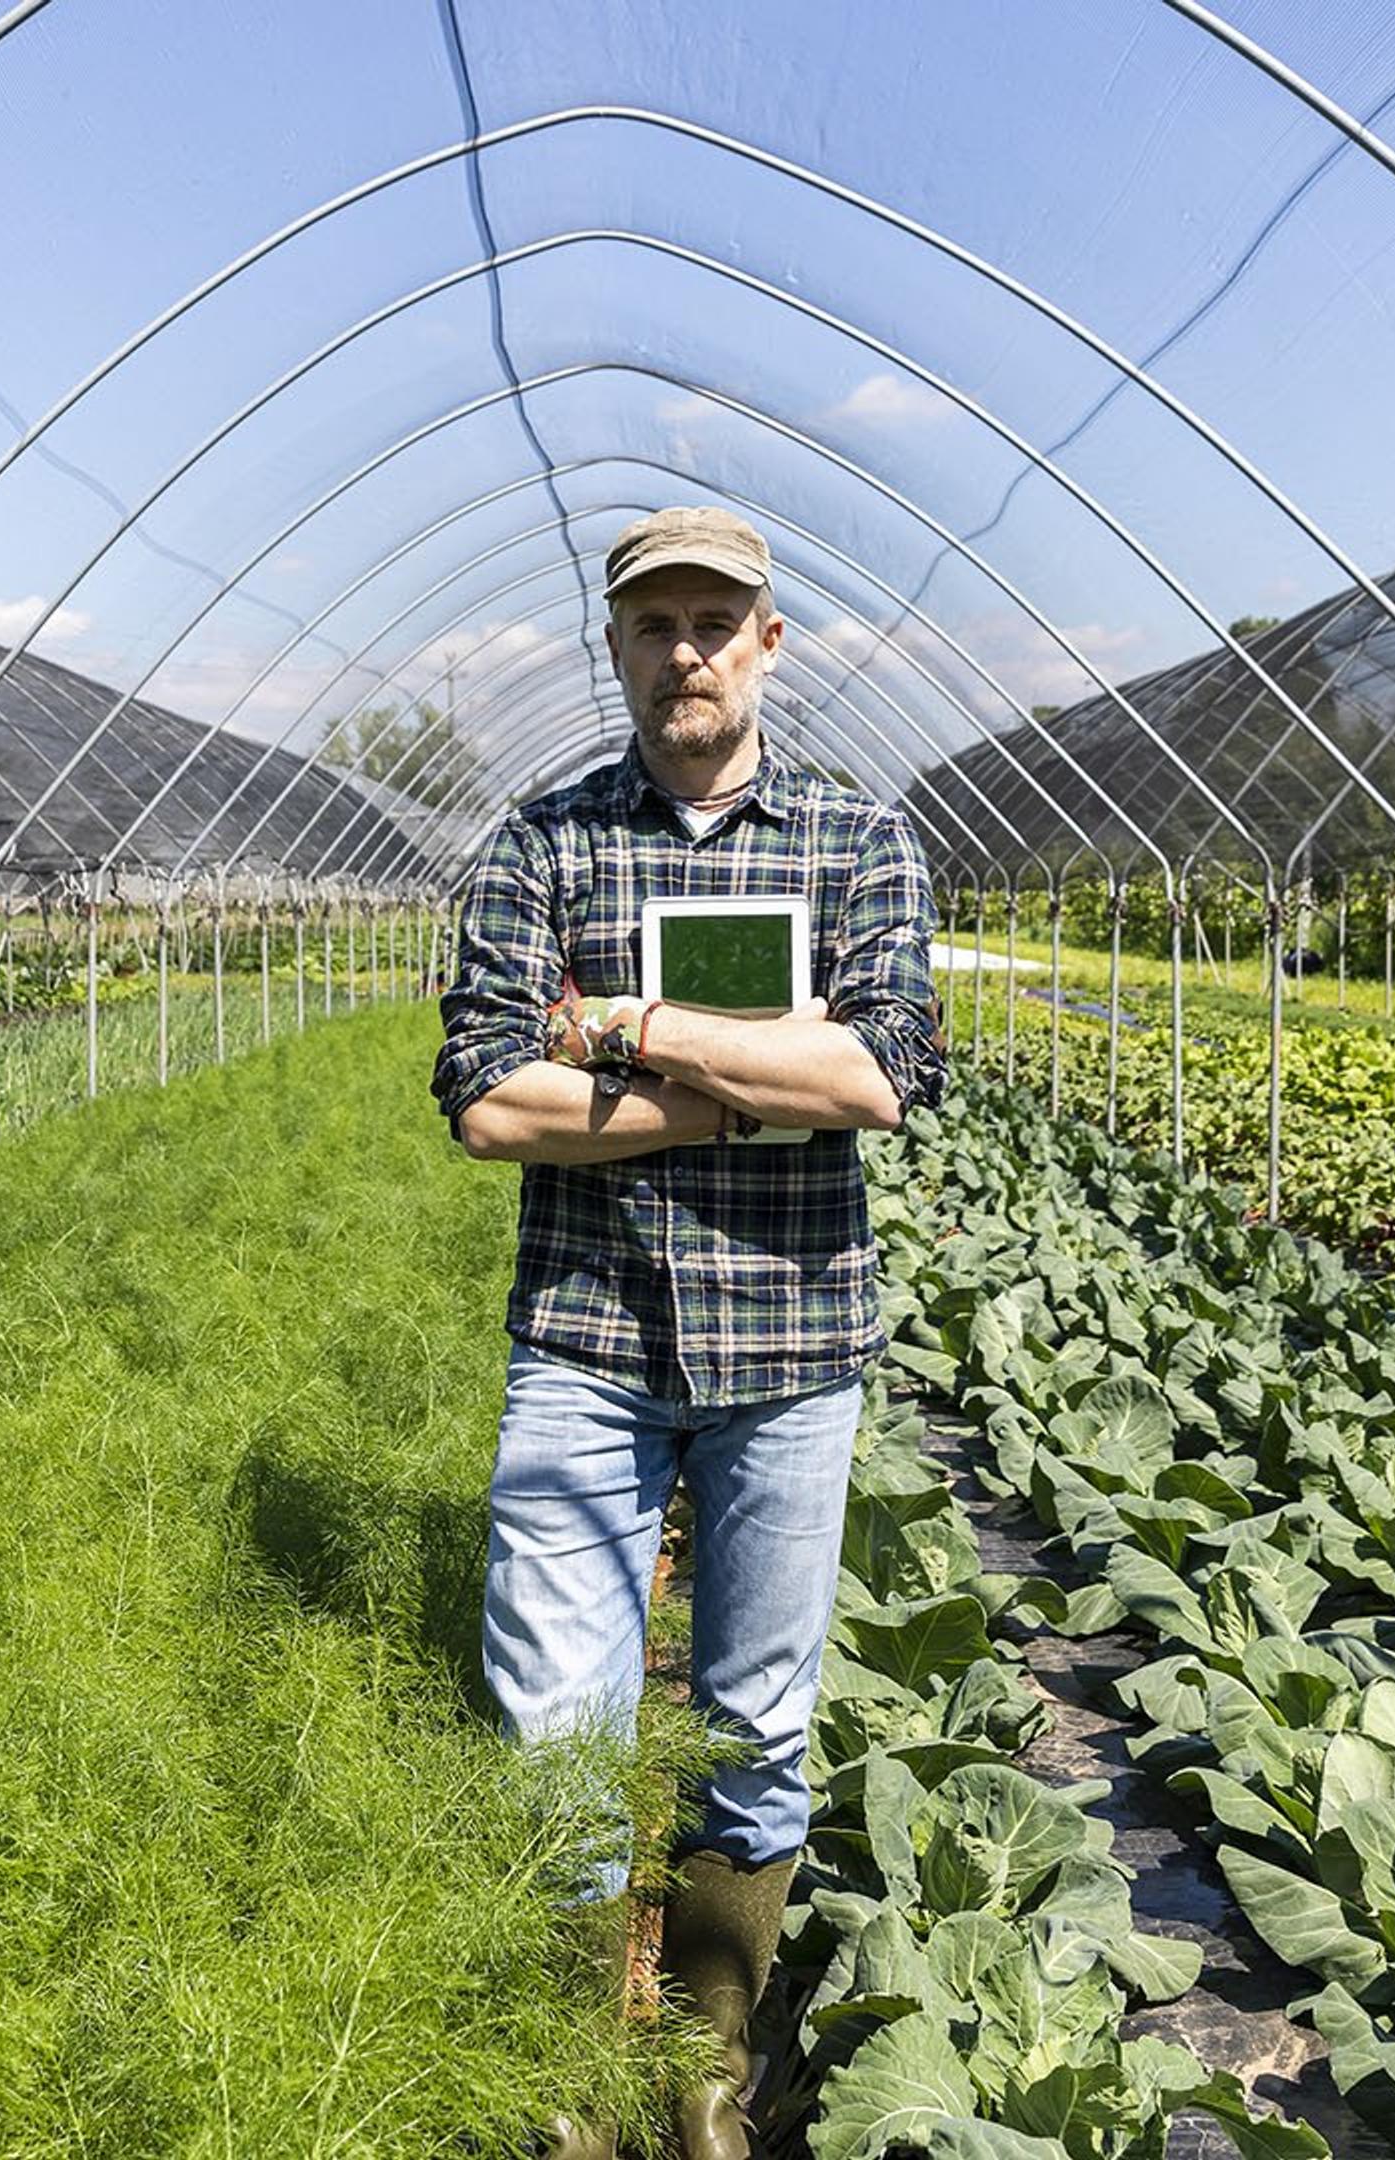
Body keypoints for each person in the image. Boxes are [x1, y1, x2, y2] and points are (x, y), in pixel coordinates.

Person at [430, 506, 945, 2159]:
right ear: (619, 648)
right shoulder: (544, 844)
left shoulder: (858, 844)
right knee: (554, 1723)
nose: (688, 652)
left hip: (792, 1348)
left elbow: (880, 1076)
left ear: (771, 640)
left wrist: (643, 1035)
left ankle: (710, 2068)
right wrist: (746, 1081)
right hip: (584, 1337)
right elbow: (493, 1101)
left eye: (717, 621)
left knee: (757, 1714)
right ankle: (579, 2076)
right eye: (656, 626)